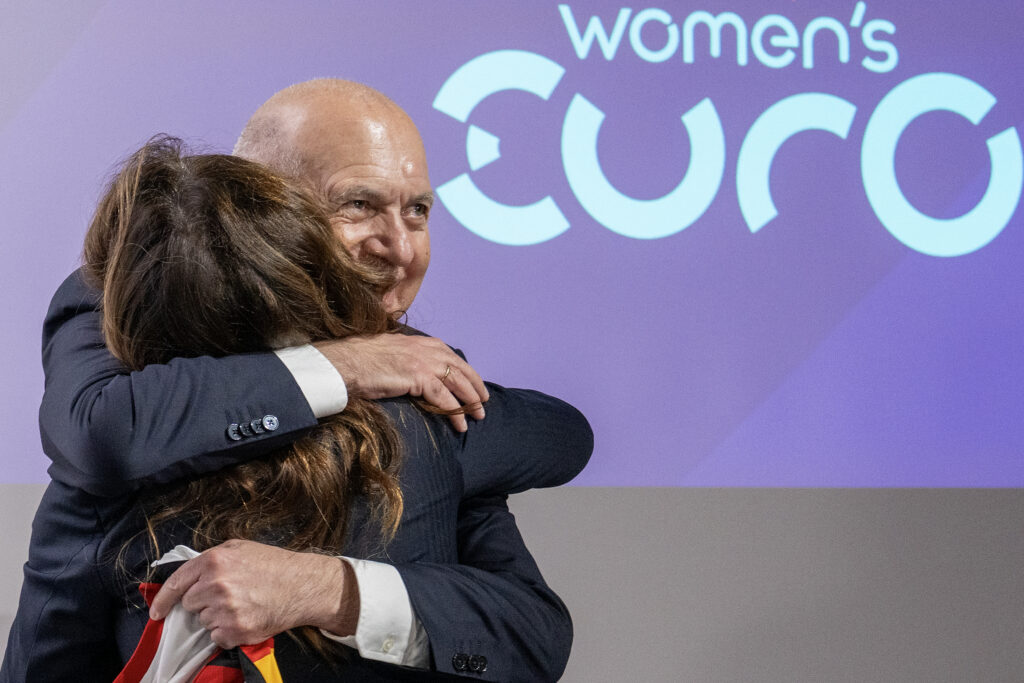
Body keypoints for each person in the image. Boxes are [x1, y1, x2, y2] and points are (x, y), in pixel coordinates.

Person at [2, 82, 591, 682]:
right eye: (358, 204)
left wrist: (331, 590)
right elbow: (103, 432)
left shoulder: (424, 387)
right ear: (261, 207)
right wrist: (348, 365)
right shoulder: (124, 303)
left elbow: (530, 630)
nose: (402, 249)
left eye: (418, 210)